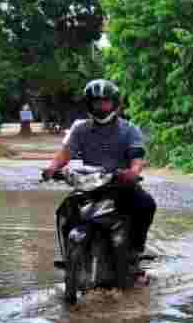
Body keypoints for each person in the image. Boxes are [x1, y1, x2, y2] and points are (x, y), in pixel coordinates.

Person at [40, 78, 155, 261]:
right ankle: (66, 255)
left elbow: (137, 158)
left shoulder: (130, 130)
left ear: (114, 104)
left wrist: (132, 173)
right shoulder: (80, 129)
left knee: (146, 204)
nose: (101, 107)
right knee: (64, 210)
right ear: (89, 104)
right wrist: (52, 168)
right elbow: (65, 153)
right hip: (90, 186)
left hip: (120, 185)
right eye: (96, 102)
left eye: (105, 102)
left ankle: (136, 249)